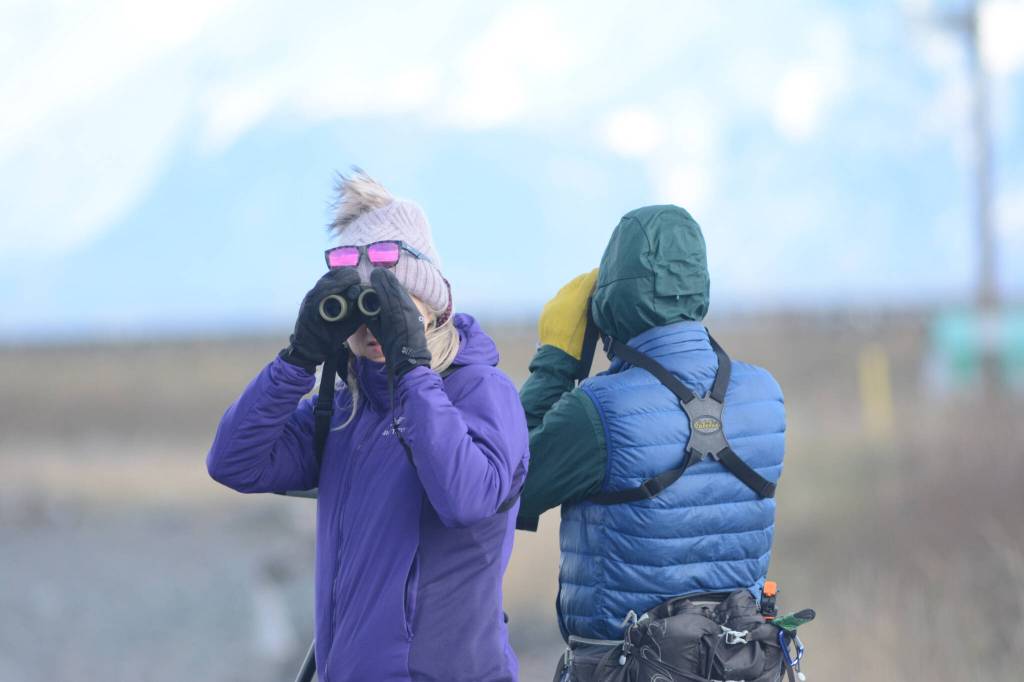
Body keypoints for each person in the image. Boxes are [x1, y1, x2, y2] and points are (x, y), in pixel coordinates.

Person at [207, 171, 529, 682]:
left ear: (432, 304)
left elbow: (465, 498)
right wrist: (297, 359)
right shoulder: (344, 410)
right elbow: (233, 462)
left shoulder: (483, 392)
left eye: (392, 306)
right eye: (361, 308)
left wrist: (412, 370)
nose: (371, 327)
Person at [517, 205, 786, 654]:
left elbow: (504, 487)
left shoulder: (599, 410)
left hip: (625, 664)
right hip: (737, 664)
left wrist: (556, 363)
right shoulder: (767, 396)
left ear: (610, 302)